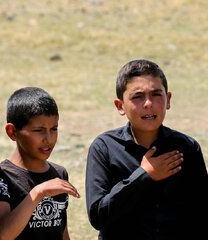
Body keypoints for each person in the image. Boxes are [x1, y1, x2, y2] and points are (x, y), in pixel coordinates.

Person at [85, 59, 208, 240]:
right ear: (120, 106)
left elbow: (201, 215)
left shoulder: (187, 148)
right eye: (137, 97)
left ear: (168, 100)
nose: (148, 103)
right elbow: (98, 216)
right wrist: (144, 175)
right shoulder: (104, 148)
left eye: (156, 94)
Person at [0, 87, 80, 240]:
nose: (48, 139)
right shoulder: (0, 176)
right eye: (39, 130)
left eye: (54, 129)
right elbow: (3, 235)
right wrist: (38, 193)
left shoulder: (59, 174)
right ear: (12, 132)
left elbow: (62, 231)